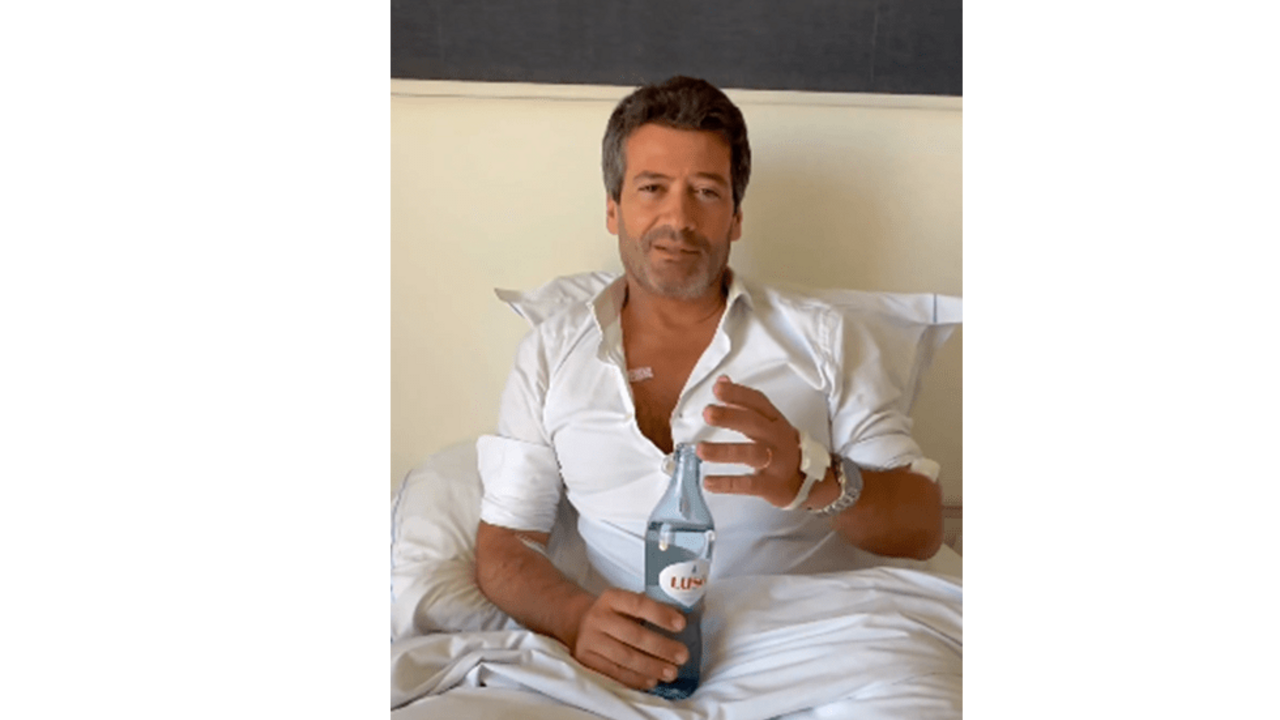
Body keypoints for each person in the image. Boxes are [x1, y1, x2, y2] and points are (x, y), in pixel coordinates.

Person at [473, 75, 944, 693]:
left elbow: (922, 526)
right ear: (613, 209)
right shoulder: (550, 353)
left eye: (705, 191)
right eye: (652, 188)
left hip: (818, 656)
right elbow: (505, 544)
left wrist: (818, 481)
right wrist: (575, 618)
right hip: (618, 670)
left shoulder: (827, 340)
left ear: (735, 217)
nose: (679, 218)